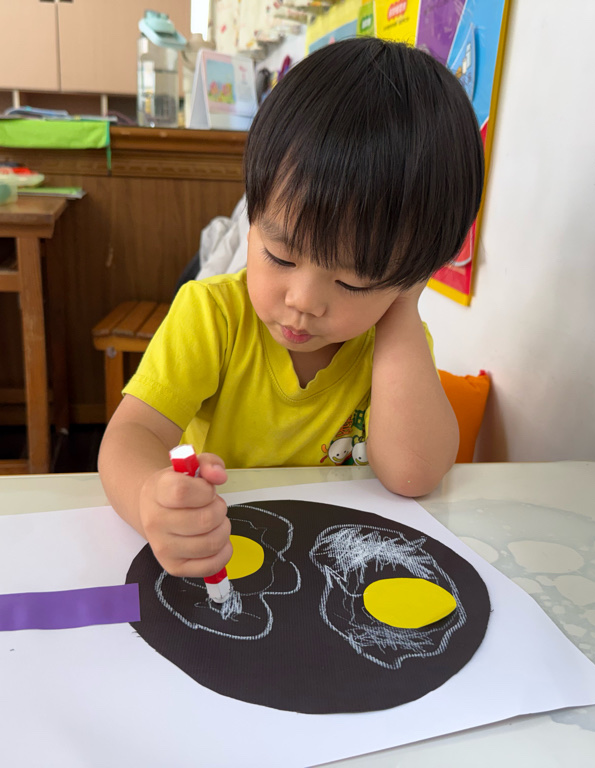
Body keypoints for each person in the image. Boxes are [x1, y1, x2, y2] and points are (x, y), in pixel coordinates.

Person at [98, 37, 485, 578]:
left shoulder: (392, 343)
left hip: (331, 569)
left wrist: (402, 304)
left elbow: (413, 475)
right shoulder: (213, 315)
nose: (302, 301)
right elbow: (130, 436)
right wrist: (149, 498)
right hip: (229, 556)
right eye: (279, 256)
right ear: (252, 216)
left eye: (351, 281)